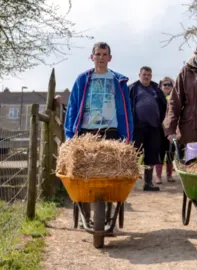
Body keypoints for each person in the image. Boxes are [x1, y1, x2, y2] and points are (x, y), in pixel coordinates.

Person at [64, 41, 133, 228]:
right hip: (87, 132)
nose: (101, 58)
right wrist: (70, 135)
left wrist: (127, 136)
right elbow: (73, 107)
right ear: (92, 56)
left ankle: (106, 215)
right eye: (98, 54)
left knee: (109, 177)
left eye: (104, 55)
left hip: (110, 131)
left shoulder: (118, 82)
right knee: (85, 176)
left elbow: (126, 110)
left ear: (110, 58)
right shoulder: (83, 79)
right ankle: (86, 214)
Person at [129, 67, 167, 190]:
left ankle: (148, 182)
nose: (146, 77)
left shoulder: (156, 89)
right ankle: (128, 181)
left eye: (149, 75)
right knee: (133, 154)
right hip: (137, 127)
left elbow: (164, 106)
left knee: (151, 155)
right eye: (144, 74)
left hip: (154, 127)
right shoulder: (132, 88)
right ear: (139, 74)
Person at [158, 77, 176, 183]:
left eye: (169, 84)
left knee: (170, 152)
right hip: (159, 129)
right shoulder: (157, 97)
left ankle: (169, 175)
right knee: (159, 152)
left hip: (171, 129)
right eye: (165, 84)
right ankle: (158, 176)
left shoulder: (174, 98)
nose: (167, 86)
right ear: (161, 86)